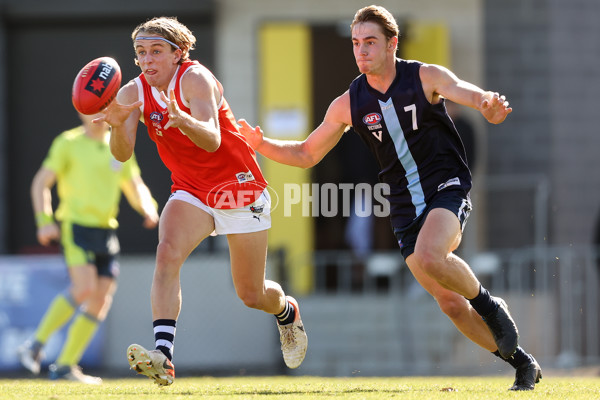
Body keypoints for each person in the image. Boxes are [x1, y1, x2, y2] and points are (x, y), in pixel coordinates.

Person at [238, 5, 542, 391]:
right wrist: (261, 143)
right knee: (449, 304)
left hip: (446, 187)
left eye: (370, 42)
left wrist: (488, 104)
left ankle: (490, 307)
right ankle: (522, 363)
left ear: (392, 44)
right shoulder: (350, 101)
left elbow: (469, 93)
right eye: (355, 44)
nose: (361, 51)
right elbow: (305, 154)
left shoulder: (424, 75)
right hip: (402, 206)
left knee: (434, 255)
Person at [95, 17, 308, 386]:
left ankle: (287, 312)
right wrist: (116, 124)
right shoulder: (133, 92)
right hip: (191, 189)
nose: (148, 61)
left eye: (157, 52)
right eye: (141, 53)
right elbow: (123, 152)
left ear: (178, 53)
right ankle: (163, 355)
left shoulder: (195, 79)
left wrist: (183, 120)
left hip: (237, 187)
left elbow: (211, 139)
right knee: (167, 254)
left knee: (251, 293)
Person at [18, 111, 159, 384]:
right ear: (80, 110)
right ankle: (35, 345)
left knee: (101, 298)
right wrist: (44, 221)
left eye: (102, 105)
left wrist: (148, 208)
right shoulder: (68, 143)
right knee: (84, 287)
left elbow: (134, 184)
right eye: (89, 107)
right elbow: (40, 184)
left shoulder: (117, 145)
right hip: (75, 227)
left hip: (106, 231)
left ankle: (64, 366)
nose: (95, 113)